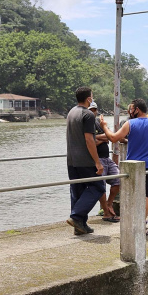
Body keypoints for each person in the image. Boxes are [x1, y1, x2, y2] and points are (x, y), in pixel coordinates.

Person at [64, 87, 104, 235]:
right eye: (92, 97)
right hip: (85, 160)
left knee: (77, 192)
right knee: (98, 187)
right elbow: (89, 140)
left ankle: (79, 227)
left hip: (71, 160)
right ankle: (76, 217)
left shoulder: (71, 112)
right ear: (89, 99)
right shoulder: (88, 114)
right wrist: (97, 162)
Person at [89, 101, 120, 223]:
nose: (92, 112)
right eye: (90, 110)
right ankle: (106, 212)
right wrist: (104, 138)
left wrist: (100, 137)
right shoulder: (86, 124)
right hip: (97, 159)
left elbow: (111, 136)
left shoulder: (99, 123)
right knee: (101, 186)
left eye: (94, 110)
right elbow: (90, 141)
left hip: (107, 158)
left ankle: (109, 203)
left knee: (118, 179)